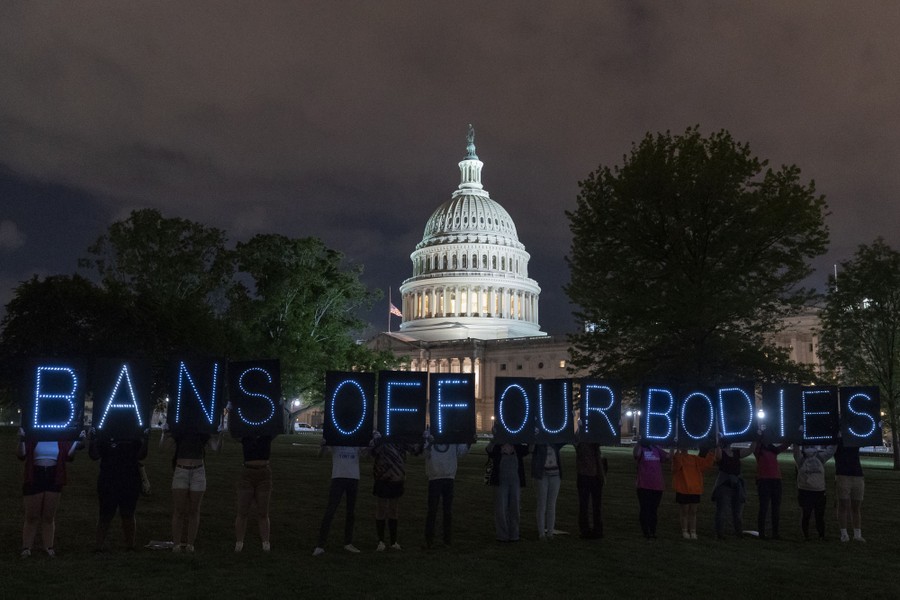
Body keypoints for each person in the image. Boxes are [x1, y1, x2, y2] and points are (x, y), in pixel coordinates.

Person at [17, 427, 84, 558]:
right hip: (35, 475)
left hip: (54, 475)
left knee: (49, 516)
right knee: (31, 516)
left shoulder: (60, 437)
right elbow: (21, 455)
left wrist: (77, 441)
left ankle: (48, 546)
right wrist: (21, 440)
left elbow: (68, 455)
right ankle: (26, 547)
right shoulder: (33, 434)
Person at [160, 423, 223, 553]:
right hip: (181, 471)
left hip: (198, 471)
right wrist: (163, 434)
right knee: (179, 510)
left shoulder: (203, 432)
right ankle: (177, 544)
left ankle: (190, 544)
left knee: (194, 510)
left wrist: (220, 436)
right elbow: (163, 447)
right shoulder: (179, 431)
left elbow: (216, 448)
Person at [88, 427, 150, 552]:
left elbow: (141, 456)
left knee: (128, 513)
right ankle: (99, 546)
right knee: (105, 514)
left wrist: (146, 440)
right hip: (109, 479)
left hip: (128, 478)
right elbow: (94, 455)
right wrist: (92, 441)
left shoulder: (134, 435)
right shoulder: (104, 435)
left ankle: (130, 545)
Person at [313, 439, 369, 556]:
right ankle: (320, 545)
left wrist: (368, 446)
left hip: (353, 477)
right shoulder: (336, 438)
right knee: (331, 510)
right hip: (338, 477)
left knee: (351, 512)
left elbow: (366, 455)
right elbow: (320, 455)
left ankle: (348, 542)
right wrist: (323, 445)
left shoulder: (356, 439)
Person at [370, 431, 420, 551]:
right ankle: (381, 541)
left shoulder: (400, 438)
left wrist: (422, 439)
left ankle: (393, 541)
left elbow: (415, 450)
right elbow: (372, 452)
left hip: (394, 477)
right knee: (382, 508)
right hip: (384, 477)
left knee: (393, 509)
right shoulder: (381, 438)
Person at [423, 428, 471, 548]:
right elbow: (424, 454)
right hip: (436, 477)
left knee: (446, 511)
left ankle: (446, 539)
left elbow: (461, 451)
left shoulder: (453, 433)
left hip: (447, 476)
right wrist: (429, 443)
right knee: (433, 510)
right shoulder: (428, 434)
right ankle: (431, 539)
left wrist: (469, 442)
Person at [234, 433, 274, 553]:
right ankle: (239, 542)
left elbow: (278, 426)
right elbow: (233, 431)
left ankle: (266, 543)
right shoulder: (245, 435)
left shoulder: (267, 435)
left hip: (264, 474)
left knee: (263, 511)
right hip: (248, 473)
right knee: (242, 511)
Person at [486, 438, 528, 542]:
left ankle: (514, 534)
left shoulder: (518, 444)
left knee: (515, 507)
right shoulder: (497, 444)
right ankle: (502, 535)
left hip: (514, 479)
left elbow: (528, 449)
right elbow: (489, 450)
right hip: (500, 479)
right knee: (501, 507)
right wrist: (495, 440)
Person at [793, 443, 836, 540]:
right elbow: (832, 450)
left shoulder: (801, 459)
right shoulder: (820, 457)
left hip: (807, 490)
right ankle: (819, 535)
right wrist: (836, 437)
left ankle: (808, 535)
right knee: (816, 515)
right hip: (817, 490)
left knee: (808, 514)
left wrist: (796, 437)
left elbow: (795, 449)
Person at [712, 437, 752, 540]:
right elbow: (718, 456)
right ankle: (719, 533)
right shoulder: (721, 453)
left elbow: (750, 450)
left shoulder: (736, 453)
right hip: (724, 485)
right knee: (722, 511)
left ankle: (738, 532)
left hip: (736, 485)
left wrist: (756, 438)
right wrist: (718, 444)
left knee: (737, 511)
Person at [752, 433, 790, 540]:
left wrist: (792, 436)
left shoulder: (772, 450)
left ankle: (774, 533)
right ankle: (762, 533)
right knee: (764, 507)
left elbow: (785, 445)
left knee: (775, 508)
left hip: (774, 480)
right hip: (765, 480)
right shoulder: (759, 450)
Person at [671, 446, 714, 540]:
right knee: (685, 511)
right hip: (683, 489)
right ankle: (685, 530)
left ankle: (693, 531)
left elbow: (707, 464)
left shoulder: (694, 458)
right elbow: (675, 468)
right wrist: (676, 452)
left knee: (693, 512)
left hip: (695, 489)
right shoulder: (678, 457)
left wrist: (711, 453)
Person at [633, 435, 669, 540]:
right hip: (644, 485)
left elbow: (668, 457)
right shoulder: (641, 449)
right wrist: (639, 443)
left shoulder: (656, 448)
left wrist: (673, 446)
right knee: (645, 509)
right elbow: (636, 454)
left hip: (657, 486)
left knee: (653, 510)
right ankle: (646, 531)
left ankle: (652, 531)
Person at [532, 441, 565, 540]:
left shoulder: (555, 442)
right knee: (542, 504)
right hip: (542, 475)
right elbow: (531, 449)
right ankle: (542, 533)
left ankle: (550, 532)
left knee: (551, 504)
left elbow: (567, 439)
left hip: (555, 475)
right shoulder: (539, 443)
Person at [834, 439, 865, 542]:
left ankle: (857, 534)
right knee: (843, 505)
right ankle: (844, 534)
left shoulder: (855, 437)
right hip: (843, 474)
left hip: (857, 475)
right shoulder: (836, 439)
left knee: (856, 507)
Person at [574, 438, 606, 539]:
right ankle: (589, 530)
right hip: (588, 476)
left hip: (591, 476)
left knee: (591, 506)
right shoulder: (583, 441)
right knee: (587, 506)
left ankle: (591, 530)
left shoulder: (590, 442)